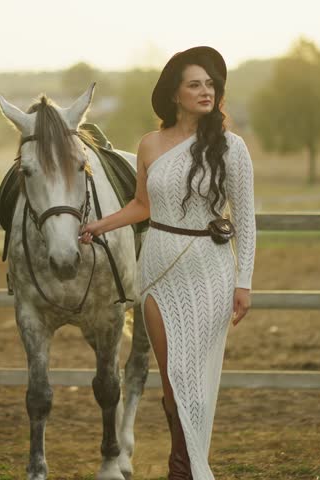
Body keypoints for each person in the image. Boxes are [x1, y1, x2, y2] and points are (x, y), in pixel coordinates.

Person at [79, 46, 256, 479]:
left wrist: (244, 281)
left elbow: (247, 220)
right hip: (157, 266)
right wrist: (101, 225)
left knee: (196, 380)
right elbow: (143, 204)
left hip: (210, 269)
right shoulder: (150, 144)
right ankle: (187, 464)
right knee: (173, 379)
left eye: (210, 84)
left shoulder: (231, 148)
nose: (205, 91)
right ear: (175, 94)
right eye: (195, 84)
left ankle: (185, 468)